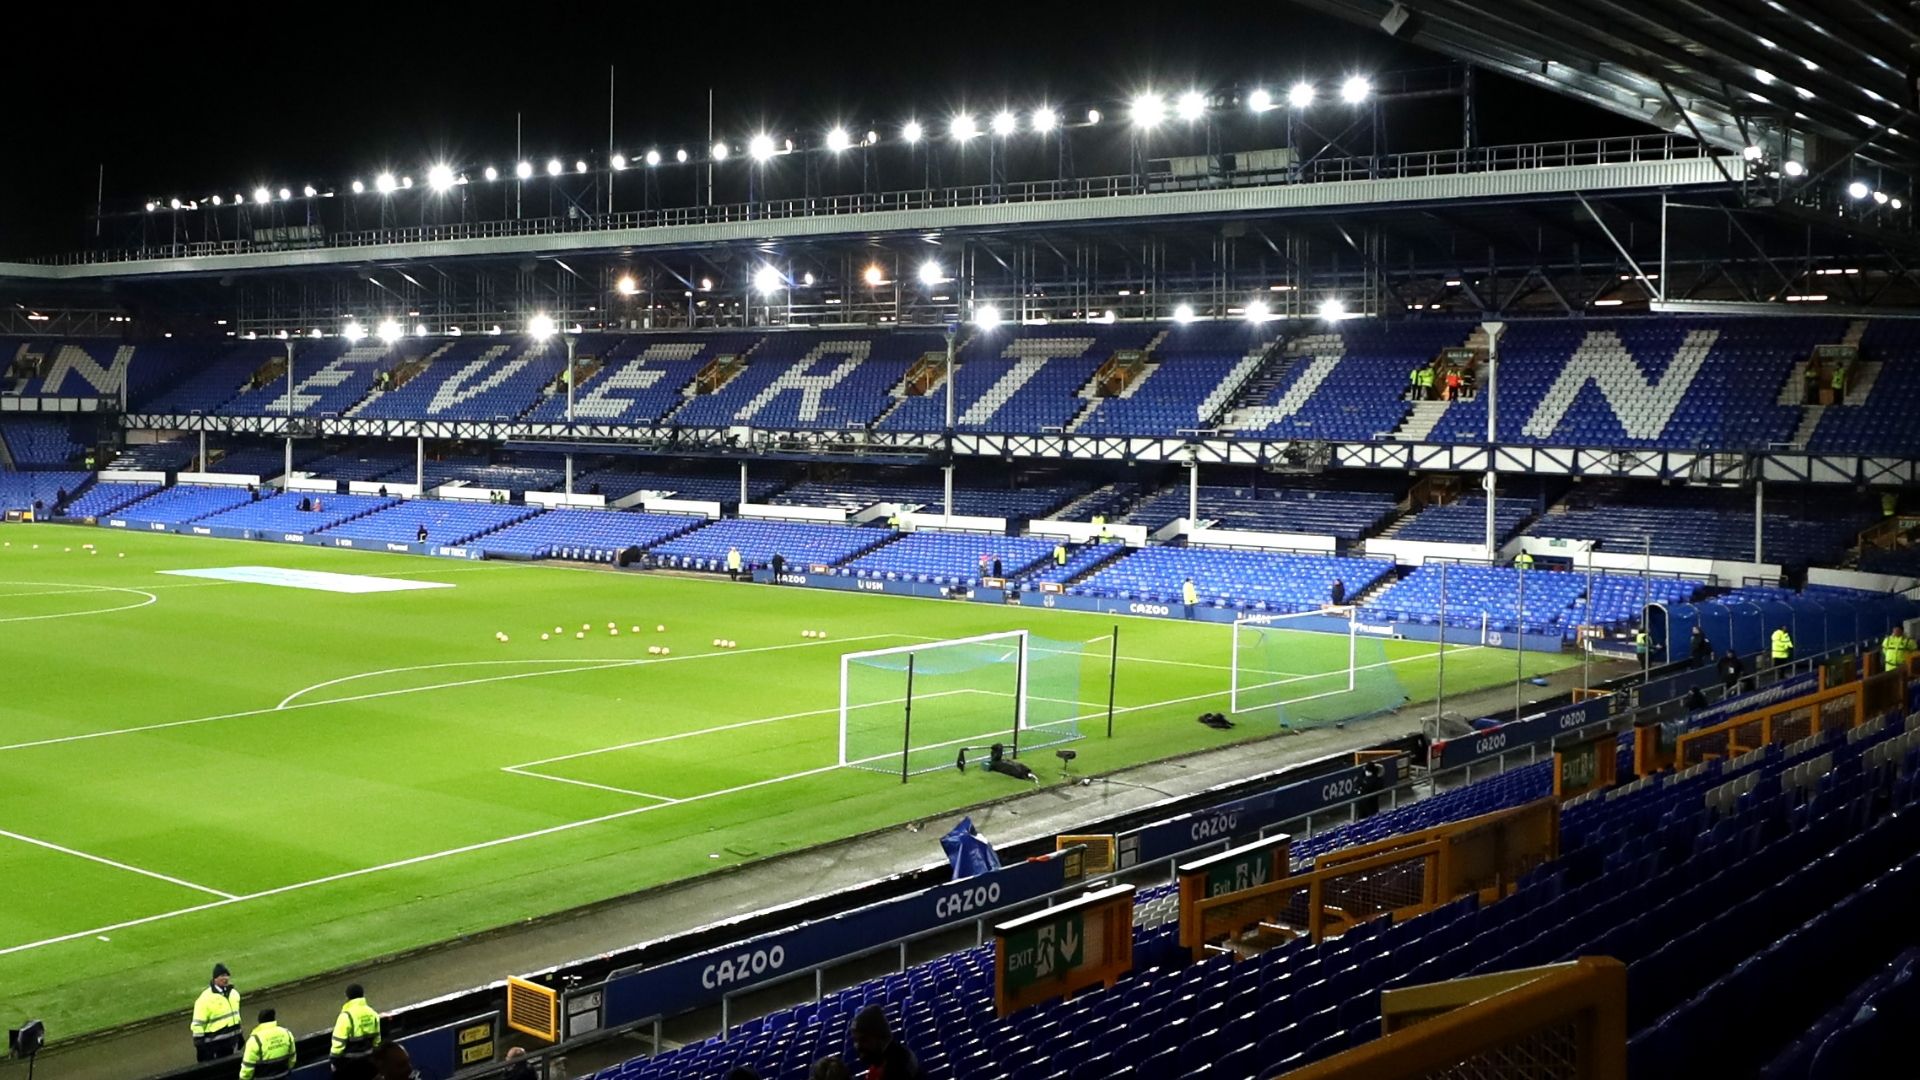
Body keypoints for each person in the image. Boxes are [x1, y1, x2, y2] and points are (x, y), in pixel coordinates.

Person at [851, 1005, 923, 1080]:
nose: (858, 1046)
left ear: (880, 1036)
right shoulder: (880, 1062)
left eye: (864, 1039)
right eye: (855, 1040)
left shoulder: (899, 1065)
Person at [190, 963, 243, 1061]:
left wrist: (239, 1035)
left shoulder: (234, 994)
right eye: (222, 976)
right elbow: (198, 1024)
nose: (225, 978)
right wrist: (200, 1046)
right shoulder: (205, 998)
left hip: (229, 1044)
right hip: (212, 1047)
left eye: (227, 975)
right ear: (215, 979)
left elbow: (235, 1017)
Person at [330, 983, 382, 1079]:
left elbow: (338, 1042)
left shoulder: (346, 1016)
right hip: (369, 1062)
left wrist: (334, 1060)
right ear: (363, 995)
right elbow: (377, 1040)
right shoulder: (373, 1013)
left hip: (350, 1065)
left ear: (347, 997)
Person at [238, 1008, 296, 1080]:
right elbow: (292, 1059)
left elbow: (247, 1070)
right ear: (274, 1019)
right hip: (283, 1076)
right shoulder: (287, 1034)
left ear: (260, 1022)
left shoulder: (255, 1040)